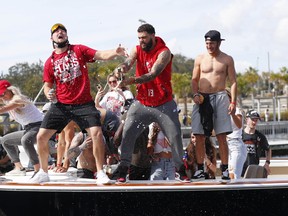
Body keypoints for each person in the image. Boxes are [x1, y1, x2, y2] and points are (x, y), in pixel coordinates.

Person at [30, 23, 126, 184]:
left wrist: (115, 53)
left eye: (63, 30)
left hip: (84, 104)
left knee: (96, 133)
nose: (60, 32)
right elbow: (47, 86)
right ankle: (43, 172)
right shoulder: (50, 62)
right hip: (61, 105)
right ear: (51, 38)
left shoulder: (78, 50)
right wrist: (49, 94)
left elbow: (100, 54)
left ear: (66, 35)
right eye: (56, 31)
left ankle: (101, 172)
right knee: (41, 136)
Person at [112, 23, 184, 183]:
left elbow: (153, 74)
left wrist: (131, 80)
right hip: (142, 102)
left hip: (163, 103)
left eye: (144, 38)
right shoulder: (137, 49)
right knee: (128, 132)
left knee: (175, 135)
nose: (141, 41)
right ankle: (123, 169)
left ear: (152, 36)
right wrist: (120, 69)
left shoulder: (164, 52)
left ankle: (181, 170)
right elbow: (128, 62)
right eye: (139, 38)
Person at [191, 30, 237, 182]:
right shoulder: (199, 58)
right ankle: (199, 169)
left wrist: (233, 102)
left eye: (212, 43)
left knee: (221, 135)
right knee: (198, 135)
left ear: (219, 43)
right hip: (202, 98)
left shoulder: (227, 59)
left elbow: (233, 82)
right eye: (207, 43)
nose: (209, 46)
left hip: (220, 96)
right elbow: (194, 79)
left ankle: (224, 170)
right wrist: (195, 94)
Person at [0, 80, 42, 176]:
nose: (2, 97)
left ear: (11, 90)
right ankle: (19, 168)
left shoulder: (18, 99)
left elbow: (3, 110)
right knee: (5, 140)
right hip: (29, 129)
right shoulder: (9, 102)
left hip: (39, 126)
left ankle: (38, 170)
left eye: (3, 93)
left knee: (25, 140)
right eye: (0, 95)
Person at [241, 110, 271, 177]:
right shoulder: (240, 135)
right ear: (247, 119)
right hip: (239, 170)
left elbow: (268, 149)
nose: (254, 122)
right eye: (252, 119)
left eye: (256, 120)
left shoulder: (260, 136)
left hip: (253, 170)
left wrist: (267, 163)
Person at [226, 89, 246, 179]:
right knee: (230, 175)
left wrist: (233, 114)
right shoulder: (222, 113)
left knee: (233, 176)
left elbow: (239, 125)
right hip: (227, 146)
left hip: (236, 145)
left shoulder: (236, 110)